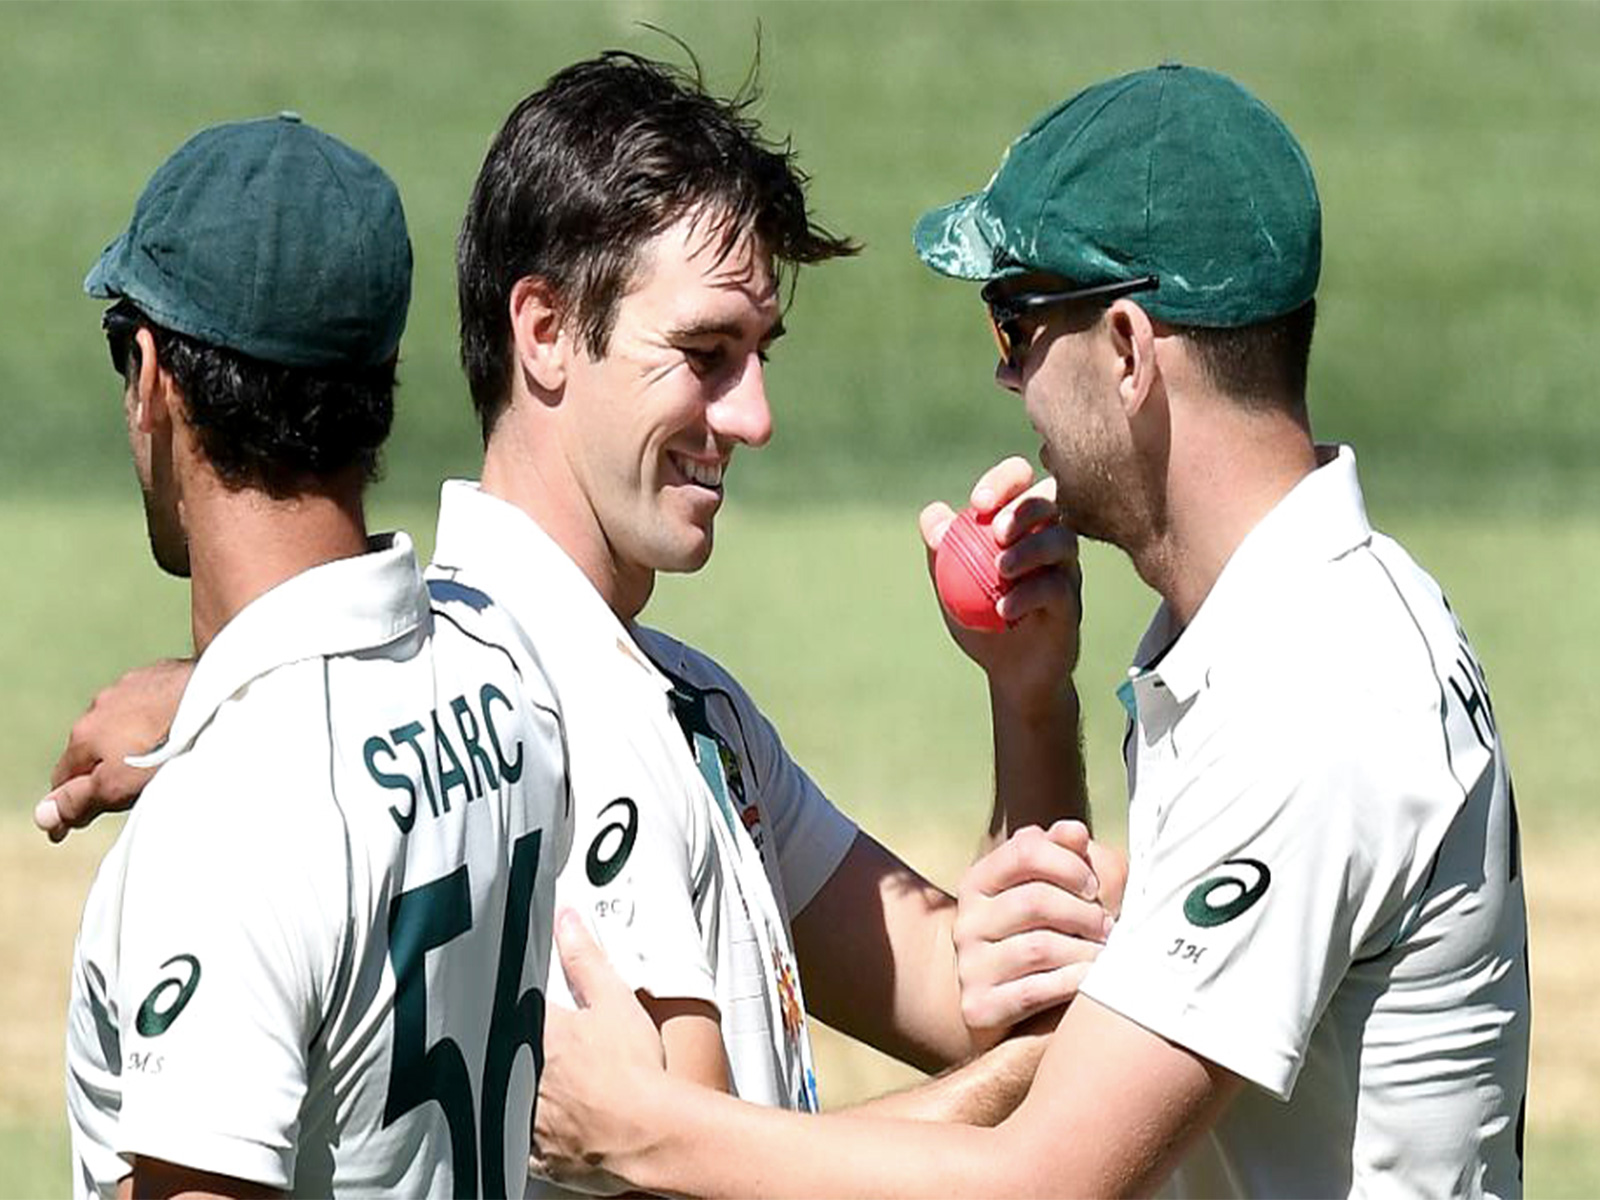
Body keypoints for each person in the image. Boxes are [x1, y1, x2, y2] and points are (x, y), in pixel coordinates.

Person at [42, 50, 1118, 1172]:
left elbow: (972, 992)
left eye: (757, 357)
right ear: (546, 332)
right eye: (705, 354)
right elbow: (694, 1169)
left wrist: (1029, 699)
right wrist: (1097, 1070)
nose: (754, 417)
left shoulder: (672, 699)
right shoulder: (568, 713)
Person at [528, 63, 1531, 1198]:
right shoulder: (1291, 629)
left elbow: (1045, 1178)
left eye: (1015, 323)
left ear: (1126, 350)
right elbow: (1038, 1027)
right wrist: (1031, 699)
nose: (1005, 377)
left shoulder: (1309, 690)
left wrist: (638, 1130)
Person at [64, 114, 571, 1199]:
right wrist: (208, 703)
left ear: (152, 375)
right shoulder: (510, 668)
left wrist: (224, 743)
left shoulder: (222, 829)